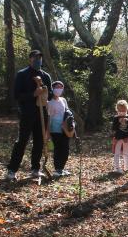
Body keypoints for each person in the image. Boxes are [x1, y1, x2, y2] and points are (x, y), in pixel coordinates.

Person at [6, 49, 53, 181]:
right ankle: (12, 170)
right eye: (35, 58)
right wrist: (32, 94)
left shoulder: (46, 76)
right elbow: (16, 95)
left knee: (39, 141)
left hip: (41, 114)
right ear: (30, 59)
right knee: (22, 141)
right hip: (27, 113)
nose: (38, 60)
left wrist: (43, 91)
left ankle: (35, 169)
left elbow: (49, 94)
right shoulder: (22, 75)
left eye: (40, 58)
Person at [47, 80, 77, 177]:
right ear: (52, 88)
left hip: (65, 129)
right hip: (55, 129)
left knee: (65, 149)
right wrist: (47, 132)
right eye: (57, 87)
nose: (59, 89)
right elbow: (48, 118)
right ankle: (57, 169)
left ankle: (61, 168)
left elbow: (67, 112)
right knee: (58, 149)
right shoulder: (49, 103)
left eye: (61, 87)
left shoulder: (63, 100)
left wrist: (71, 124)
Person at [111, 99, 128, 174]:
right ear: (117, 110)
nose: (122, 112)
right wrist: (119, 122)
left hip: (126, 138)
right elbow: (113, 128)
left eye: (124, 110)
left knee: (126, 153)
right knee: (116, 153)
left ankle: (126, 167)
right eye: (120, 110)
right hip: (118, 138)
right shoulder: (116, 118)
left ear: (127, 109)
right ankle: (117, 168)